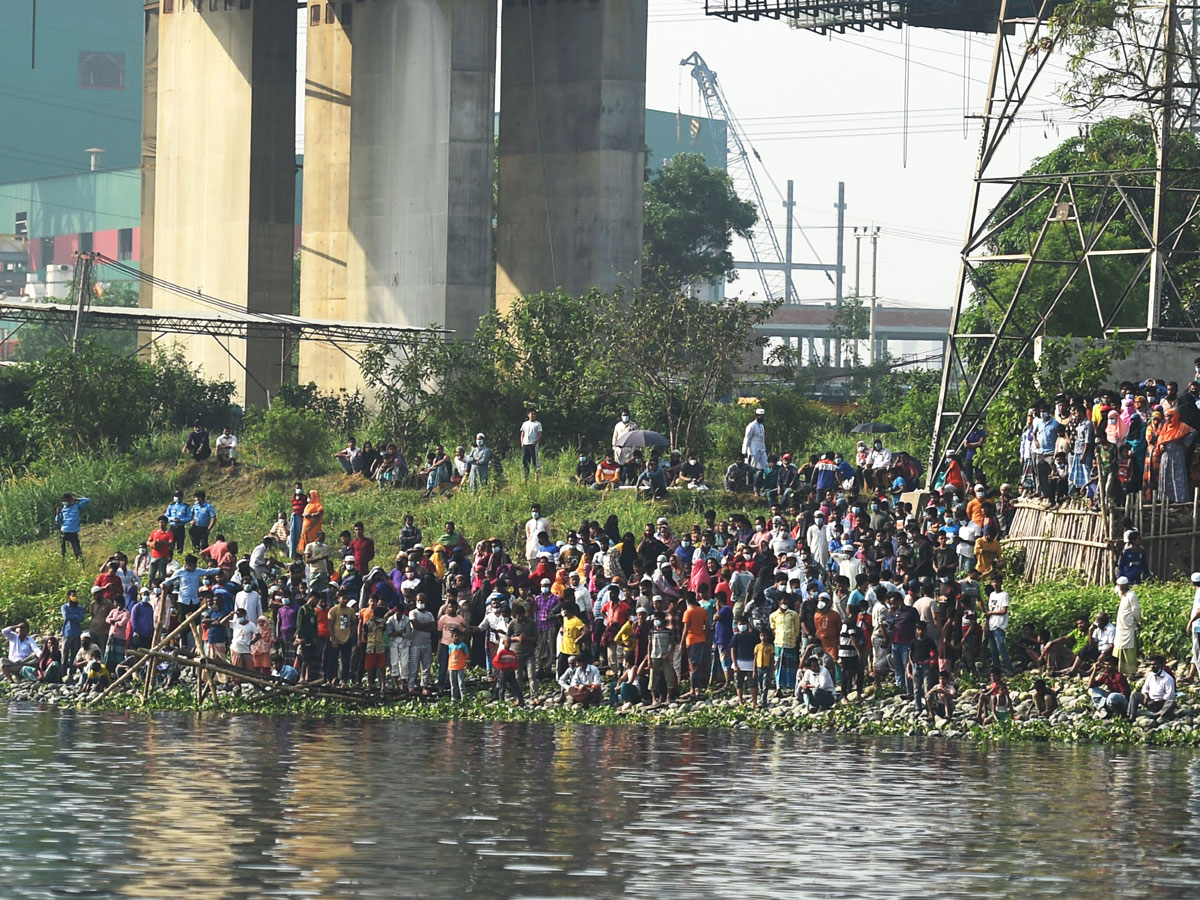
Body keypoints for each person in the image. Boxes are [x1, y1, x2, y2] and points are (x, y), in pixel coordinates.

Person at [1128, 655, 1176, 722]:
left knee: (1171, 703)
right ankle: (1131, 716)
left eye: (1155, 664)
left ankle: (1159, 714)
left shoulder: (1168, 678)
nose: (1152, 667)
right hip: (1149, 701)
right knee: (1134, 694)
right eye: (1151, 665)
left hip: (1161, 704)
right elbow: (1145, 688)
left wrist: (1157, 702)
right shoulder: (1150, 675)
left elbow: (1169, 695)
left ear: (1161, 665)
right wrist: (1146, 696)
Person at [985, 575, 1013, 676]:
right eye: (993, 582)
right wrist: (987, 625)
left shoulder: (1004, 595)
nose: (995, 584)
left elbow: (1003, 611)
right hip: (991, 625)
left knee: (1001, 648)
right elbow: (989, 611)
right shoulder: (992, 595)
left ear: (1001, 583)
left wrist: (991, 613)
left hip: (999, 625)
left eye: (997, 582)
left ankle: (1010, 669)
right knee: (993, 650)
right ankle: (997, 671)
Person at [1113, 576, 1141, 679]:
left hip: (1129, 627)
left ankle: (1130, 672)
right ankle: (1121, 670)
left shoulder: (1131, 595)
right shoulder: (1123, 596)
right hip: (1121, 627)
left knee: (1129, 648)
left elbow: (1136, 610)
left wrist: (1138, 621)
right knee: (1120, 646)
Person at [55, 493, 90, 559]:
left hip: (73, 532)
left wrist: (76, 499)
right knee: (63, 551)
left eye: (67, 500)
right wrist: (58, 513)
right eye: (64, 500)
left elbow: (87, 500)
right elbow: (58, 521)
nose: (66, 502)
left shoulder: (77, 506)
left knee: (77, 550)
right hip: (64, 531)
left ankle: (80, 563)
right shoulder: (63, 509)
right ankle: (63, 562)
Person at [612, 410, 638, 482]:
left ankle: (631, 482)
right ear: (621, 416)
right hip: (619, 449)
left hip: (629, 449)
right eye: (624, 415)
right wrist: (615, 448)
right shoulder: (618, 425)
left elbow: (635, 438)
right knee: (619, 467)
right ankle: (620, 482)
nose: (625, 417)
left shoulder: (633, 425)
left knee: (629, 467)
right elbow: (615, 437)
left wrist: (633, 450)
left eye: (626, 415)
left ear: (629, 416)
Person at [742, 407, 767, 473]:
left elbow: (762, 439)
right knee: (752, 468)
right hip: (753, 451)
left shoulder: (762, 426)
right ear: (756, 415)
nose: (761, 417)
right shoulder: (751, 426)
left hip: (761, 450)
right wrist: (744, 451)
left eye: (762, 416)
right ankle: (751, 482)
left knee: (765, 466)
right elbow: (747, 438)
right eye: (760, 416)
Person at [446, 628, 469, 700]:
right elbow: (449, 656)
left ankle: (463, 698)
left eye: (458, 636)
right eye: (455, 636)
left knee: (461, 683)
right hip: (451, 667)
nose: (457, 638)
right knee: (453, 685)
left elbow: (466, 655)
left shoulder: (463, 645)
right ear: (452, 637)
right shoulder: (450, 646)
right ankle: (453, 698)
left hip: (460, 667)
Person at [520, 409, 543, 478]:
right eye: (531, 414)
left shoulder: (538, 424)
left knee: (535, 460)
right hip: (525, 444)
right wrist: (522, 442)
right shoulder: (525, 423)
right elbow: (522, 434)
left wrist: (535, 442)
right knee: (525, 461)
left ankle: (536, 477)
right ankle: (526, 476)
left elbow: (540, 434)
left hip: (533, 444)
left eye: (534, 414)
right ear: (528, 415)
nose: (533, 415)